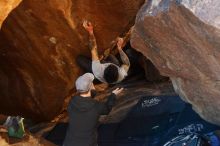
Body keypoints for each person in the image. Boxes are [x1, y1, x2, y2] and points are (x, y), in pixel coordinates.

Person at [63, 73, 124, 146]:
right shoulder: (96, 106)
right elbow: (107, 109)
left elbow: (83, 104)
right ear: (91, 86)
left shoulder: (71, 103)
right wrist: (113, 95)